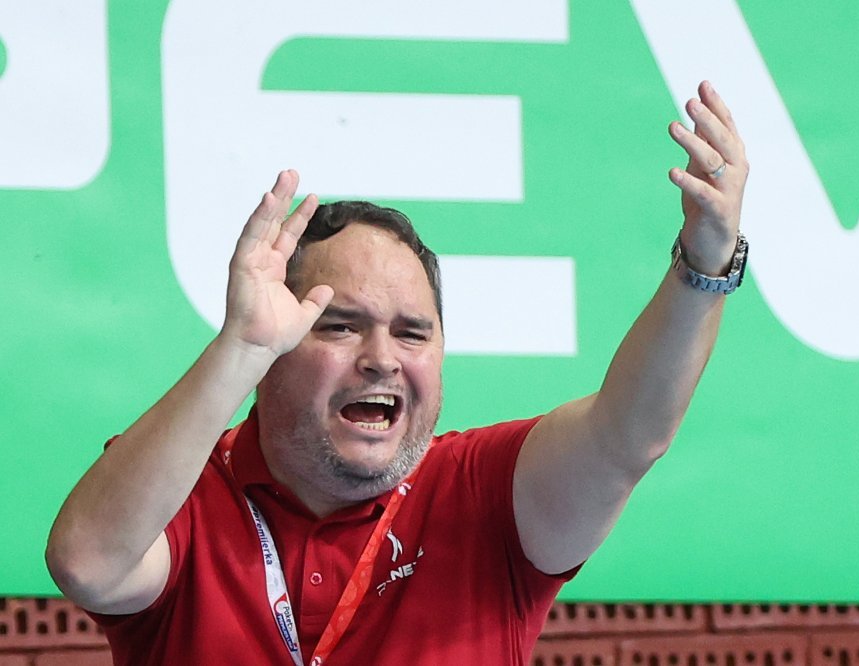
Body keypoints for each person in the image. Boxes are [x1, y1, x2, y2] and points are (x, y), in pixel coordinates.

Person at [46, 80, 749, 665]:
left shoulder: (485, 494)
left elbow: (629, 435)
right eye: (339, 326)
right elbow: (88, 563)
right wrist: (242, 346)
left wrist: (705, 262)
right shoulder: (182, 490)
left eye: (412, 333)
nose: (382, 358)